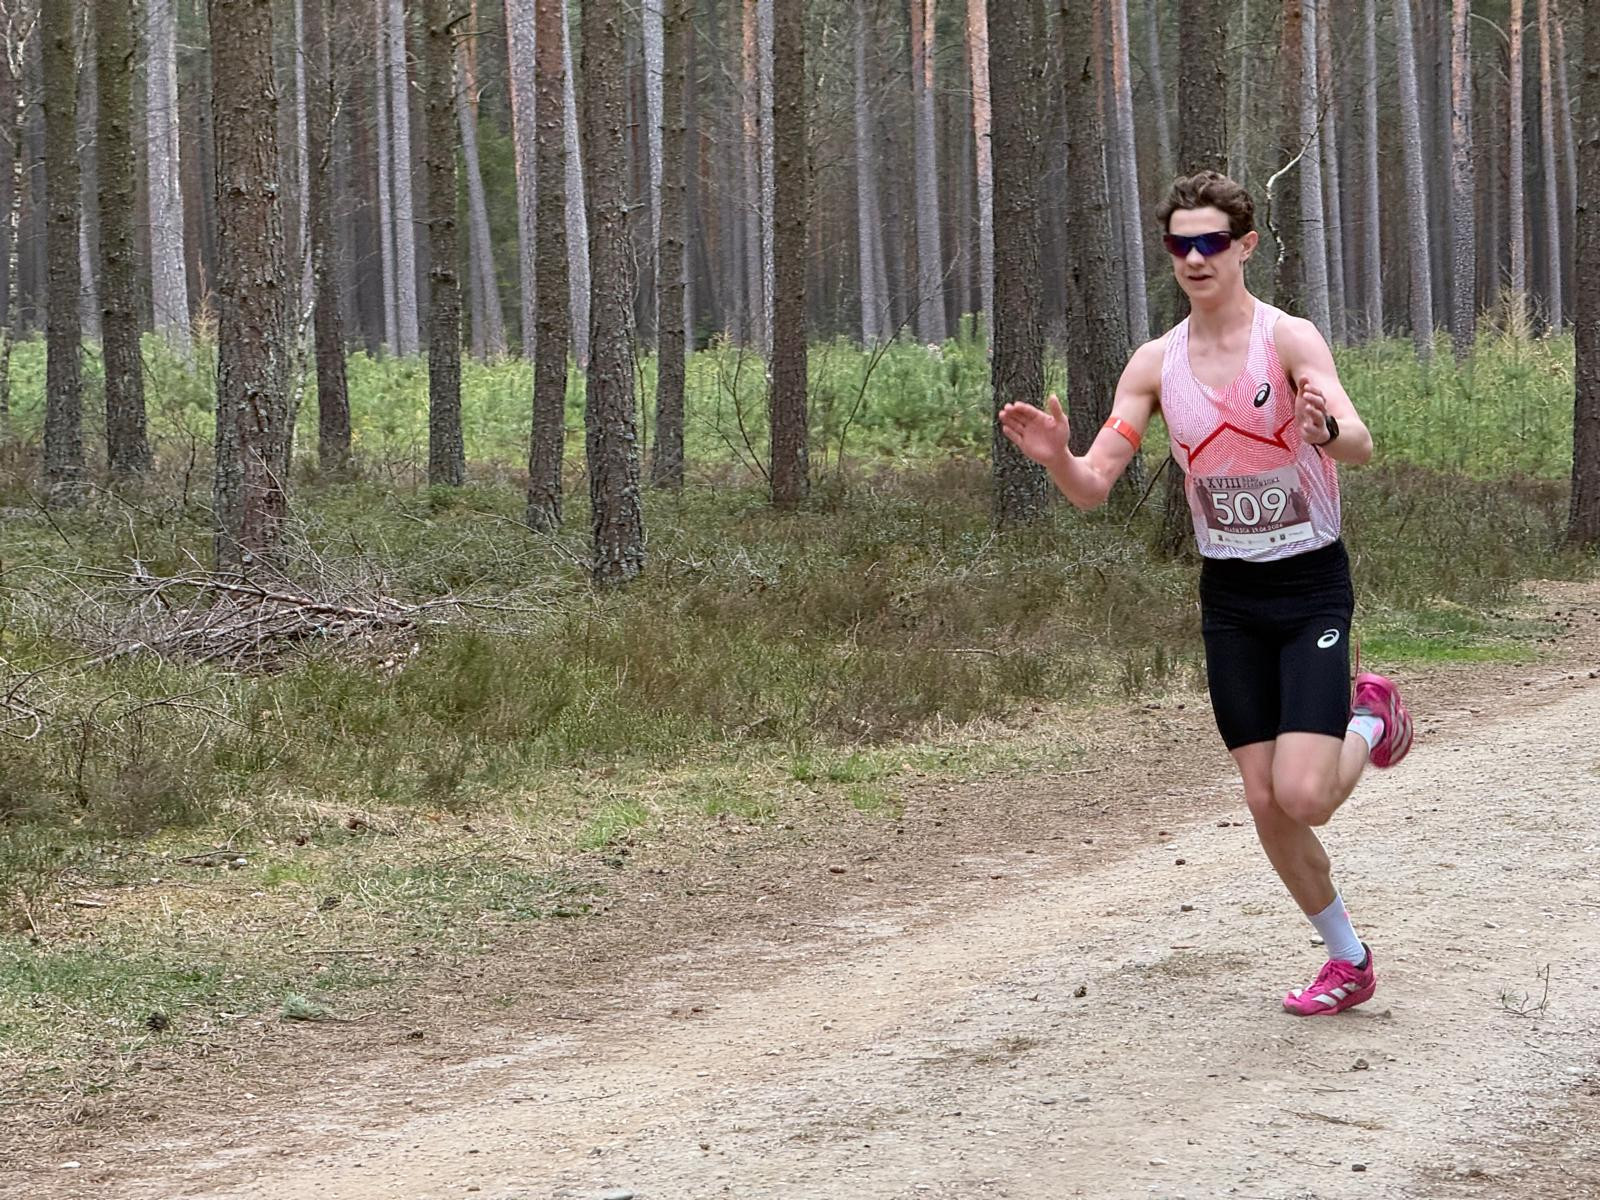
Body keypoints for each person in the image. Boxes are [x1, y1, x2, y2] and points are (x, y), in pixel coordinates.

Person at [999, 170, 1413, 1017]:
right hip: (1229, 597)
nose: (1194, 257)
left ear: (1245, 247)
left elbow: (1360, 441)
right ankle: (1348, 959)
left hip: (1308, 587)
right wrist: (1055, 460)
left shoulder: (1289, 340)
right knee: (1264, 799)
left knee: (1304, 795)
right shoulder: (1154, 364)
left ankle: (1372, 719)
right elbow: (1093, 487)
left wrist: (1326, 430)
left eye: (1210, 243)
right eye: (1179, 244)